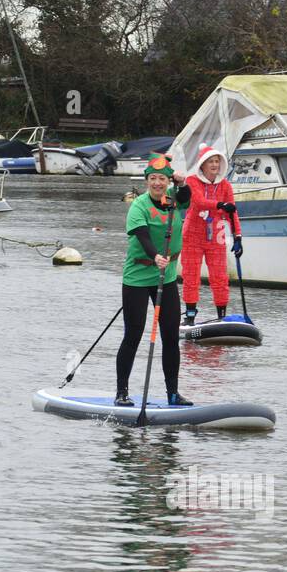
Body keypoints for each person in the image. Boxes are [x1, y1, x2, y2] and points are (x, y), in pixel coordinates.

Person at [116, 153, 191, 408]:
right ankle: (122, 392)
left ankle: (173, 393)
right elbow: (143, 236)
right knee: (133, 334)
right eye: (153, 179)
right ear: (147, 181)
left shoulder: (174, 200)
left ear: (168, 181)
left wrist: (182, 184)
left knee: (170, 336)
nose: (157, 183)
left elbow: (187, 198)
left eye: (162, 179)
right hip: (138, 276)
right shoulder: (139, 205)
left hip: (166, 277)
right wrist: (156, 255)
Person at [180, 143, 242, 326]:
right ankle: (190, 316)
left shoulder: (225, 186)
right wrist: (220, 205)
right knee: (191, 276)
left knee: (220, 277)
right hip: (192, 236)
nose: (214, 165)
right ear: (203, 165)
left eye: (217, 161)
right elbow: (198, 202)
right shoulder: (192, 181)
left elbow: (233, 213)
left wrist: (238, 237)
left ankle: (221, 315)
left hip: (216, 237)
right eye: (210, 162)